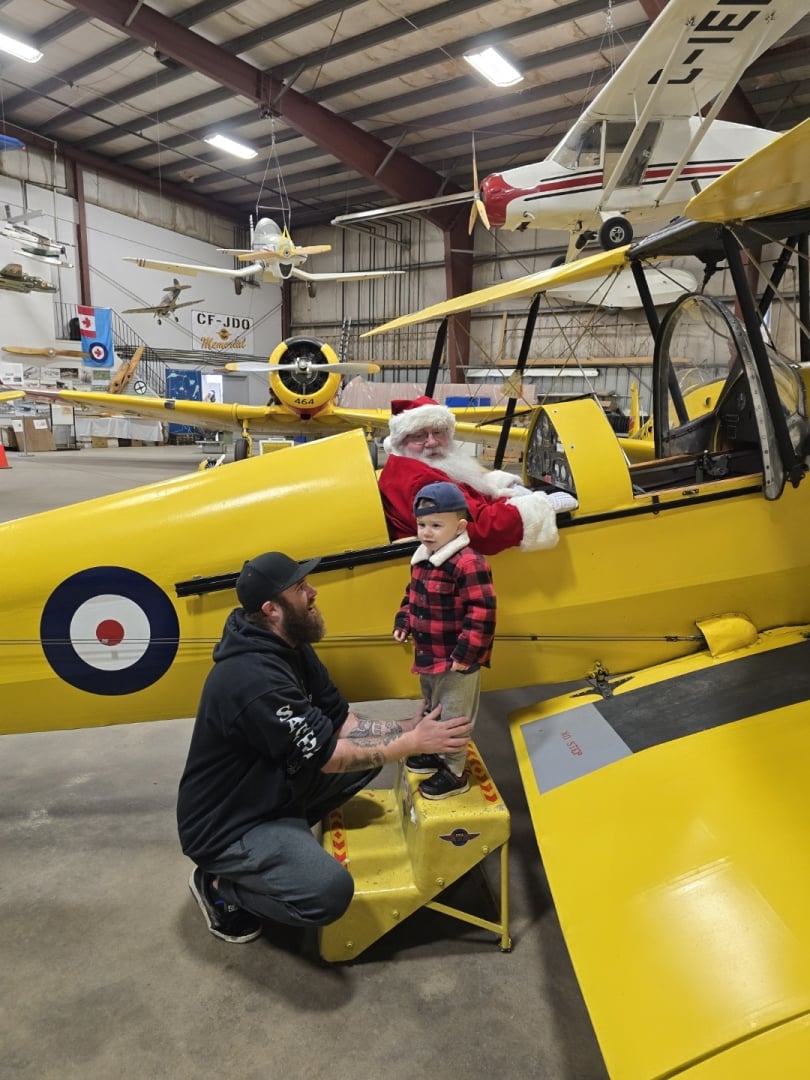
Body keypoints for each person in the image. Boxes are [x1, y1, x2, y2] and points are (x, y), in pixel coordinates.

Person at [177, 550, 472, 945]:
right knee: (328, 893)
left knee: (369, 755)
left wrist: (408, 728)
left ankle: (285, 841)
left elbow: (340, 721)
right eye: (301, 588)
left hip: (270, 788)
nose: (313, 592)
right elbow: (329, 757)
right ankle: (220, 887)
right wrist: (413, 743)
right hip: (230, 824)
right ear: (271, 609)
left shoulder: (289, 642)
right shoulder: (253, 679)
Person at [393, 481, 496, 800]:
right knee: (432, 708)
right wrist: (403, 622)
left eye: (436, 525)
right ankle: (436, 754)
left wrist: (467, 653)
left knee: (454, 716)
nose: (426, 532)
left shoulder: (468, 563)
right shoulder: (422, 559)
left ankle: (454, 771)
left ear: (460, 527)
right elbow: (411, 596)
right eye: (422, 524)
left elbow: (483, 611)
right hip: (429, 656)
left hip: (457, 661)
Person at [378, 396, 578, 556]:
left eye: (438, 432)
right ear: (401, 441)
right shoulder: (423, 481)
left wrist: (500, 489)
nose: (432, 442)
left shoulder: (405, 467)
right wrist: (541, 507)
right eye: (419, 436)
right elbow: (480, 530)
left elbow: (464, 495)